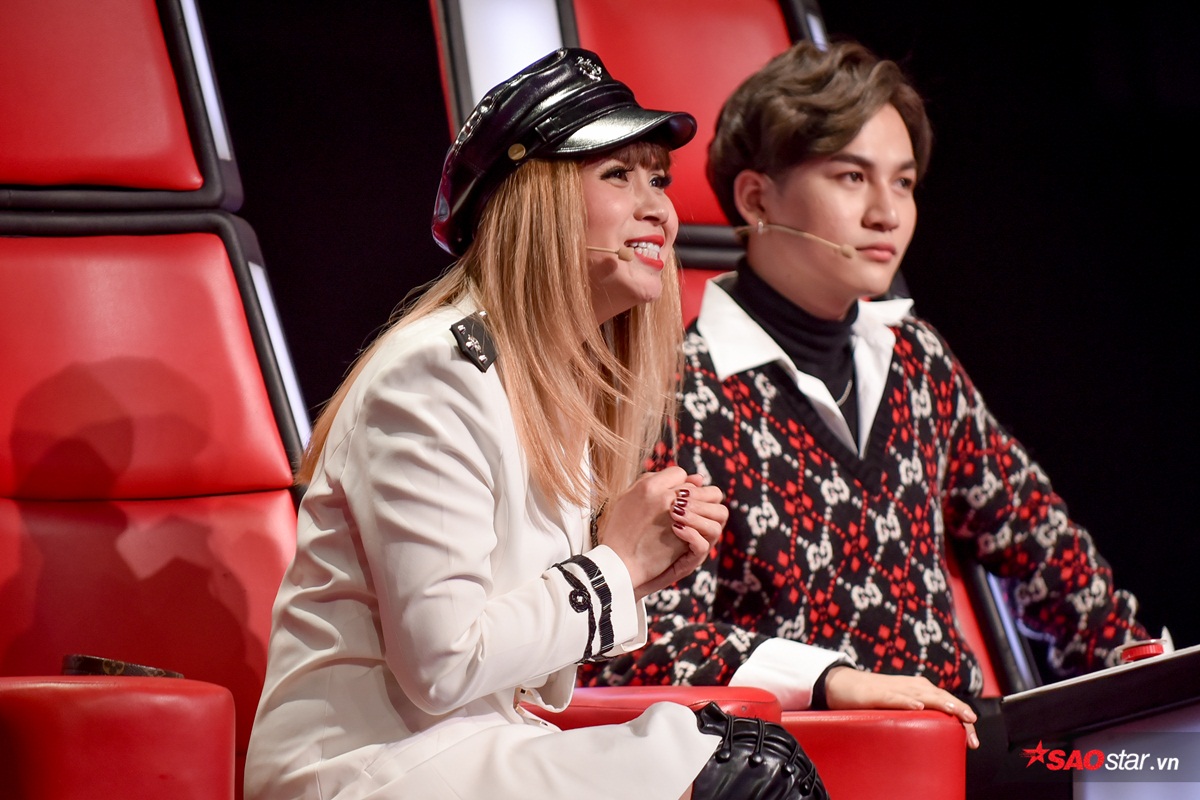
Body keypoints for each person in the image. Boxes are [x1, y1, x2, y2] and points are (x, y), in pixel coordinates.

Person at [243, 47, 829, 800]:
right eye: (617, 175)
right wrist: (616, 565)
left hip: (468, 744)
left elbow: (529, 675)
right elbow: (443, 663)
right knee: (746, 777)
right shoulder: (436, 372)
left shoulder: (551, 381)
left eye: (658, 178)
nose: (660, 209)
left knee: (755, 765)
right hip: (365, 768)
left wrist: (645, 566)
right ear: (534, 201)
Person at [578, 38, 1154, 794]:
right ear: (756, 199)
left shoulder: (917, 357)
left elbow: (1047, 547)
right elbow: (640, 643)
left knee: (1164, 763)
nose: (888, 213)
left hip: (960, 740)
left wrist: (1146, 678)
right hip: (805, 759)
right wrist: (831, 680)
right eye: (852, 177)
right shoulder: (679, 392)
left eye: (904, 183)